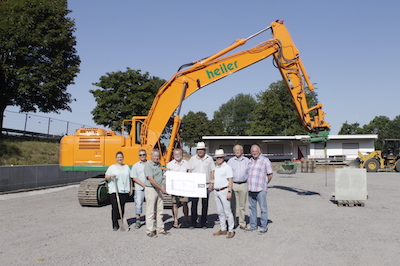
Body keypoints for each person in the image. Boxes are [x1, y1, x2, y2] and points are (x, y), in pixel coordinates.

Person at [246, 144, 273, 234]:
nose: (254, 153)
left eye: (256, 151)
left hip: (261, 189)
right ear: (251, 153)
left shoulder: (265, 160)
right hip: (251, 189)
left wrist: (264, 183)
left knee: (263, 209)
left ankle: (263, 227)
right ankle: (253, 225)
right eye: (253, 151)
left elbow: (270, 174)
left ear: (259, 151)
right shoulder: (249, 161)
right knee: (252, 208)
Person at [188, 141, 215, 229]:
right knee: (194, 204)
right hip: (195, 186)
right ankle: (193, 223)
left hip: (206, 186)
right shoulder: (192, 159)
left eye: (202, 150)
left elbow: (212, 171)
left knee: (205, 205)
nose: (200, 151)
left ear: (204, 150)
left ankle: (203, 222)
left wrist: (211, 184)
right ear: (197, 150)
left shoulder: (209, 159)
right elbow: (189, 171)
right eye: (199, 150)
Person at [144, 149, 170, 237]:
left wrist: (164, 170)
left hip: (158, 189)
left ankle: (160, 229)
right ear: (151, 156)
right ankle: (150, 230)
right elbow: (151, 179)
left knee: (160, 210)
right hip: (151, 189)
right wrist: (161, 189)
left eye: (158, 156)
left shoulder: (158, 164)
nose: (156, 157)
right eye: (155, 156)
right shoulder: (148, 166)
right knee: (150, 211)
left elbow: (158, 174)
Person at [210, 149, 235, 239]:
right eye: (217, 157)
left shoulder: (227, 167)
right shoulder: (216, 168)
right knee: (220, 212)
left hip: (224, 190)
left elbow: (230, 180)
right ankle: (223, 229)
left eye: (220, 157)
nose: (219, 159)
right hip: (216, 191)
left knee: (228, 211)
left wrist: (229, 191)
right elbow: (215, 180)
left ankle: (231, 230)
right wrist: (206, 182)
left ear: (223, 157)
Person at [104, 151, 131, 231]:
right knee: (115, 207)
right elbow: (106, 177)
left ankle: (121, 222)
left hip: (124, 190)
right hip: (114, 190)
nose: (120, 159)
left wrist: (130, 188)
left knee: (122, 207)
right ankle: (115, 224)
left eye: (121, 157)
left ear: (123, 158)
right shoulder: (112, 167)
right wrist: (110, 176)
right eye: (118, 157)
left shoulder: (126, 167)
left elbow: (129, 178)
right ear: (116, 158)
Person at [166, 148, 190, 228]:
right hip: (174, 188)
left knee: (185, 204)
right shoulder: (170, 164)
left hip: (184, 187)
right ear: (173, 155)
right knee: (175, 204)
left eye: (179, 154)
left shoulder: (186, 163)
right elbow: (167, 176)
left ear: (181, 154)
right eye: (176, 154)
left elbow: (190, 173)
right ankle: (175, 220)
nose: (177, 155)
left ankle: (186, 220)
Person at [227, 144, 249, 230]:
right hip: (233, 184)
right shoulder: (230, 161)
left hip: (243, 184)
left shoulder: (247, 160)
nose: (237, 151)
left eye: (239, 150)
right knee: (232, 205)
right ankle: (233, 223)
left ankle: (242, 223)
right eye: (235, 150)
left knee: (242, 205)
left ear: (242, 151)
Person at [130, 149, 148, 229]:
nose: (142, 156)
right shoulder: (136, 165)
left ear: (146, 155)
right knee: (138, 203)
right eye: (140, 155)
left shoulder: (150, 164)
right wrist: (143, 185)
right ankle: (138, 220)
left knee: (151, 204)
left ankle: (153, 220)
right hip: (139, 188)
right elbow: (134, 177)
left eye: (143, 154)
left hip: (150, 187)